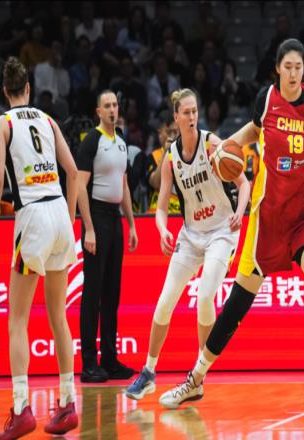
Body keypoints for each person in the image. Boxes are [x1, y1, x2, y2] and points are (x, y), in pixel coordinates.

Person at [160, 39, 304, 411]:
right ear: (277, 69)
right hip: (266, 219)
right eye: (287, 67)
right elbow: (254, 130)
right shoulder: (267, 98)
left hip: (301, 217)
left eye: (299, 67)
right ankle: (195, 378)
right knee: (237, 305)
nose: (293, 73)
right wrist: (225, 146)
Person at [125, 88, 250, 400]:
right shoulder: (171, 158)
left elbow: (244, 182)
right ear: (176, 117)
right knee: (165, 301)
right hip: (191, 235)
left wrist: (239, 210)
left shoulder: (213, 144)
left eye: (195, 111)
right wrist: (162, 230)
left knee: (205, 296)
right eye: (187, 112)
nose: (192, 117)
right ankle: (149, 372)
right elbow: (161, 207)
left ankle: (197, 377)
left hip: (222, 231)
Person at [0, 57, 79, 439]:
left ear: (5, 91)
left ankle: (22, 408)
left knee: (17, 320)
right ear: (28, 88)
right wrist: (68, 220)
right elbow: (73, 172)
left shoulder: (2, 123)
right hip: (59, 212)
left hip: (33, 217)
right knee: (59, 317)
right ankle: (68, 403)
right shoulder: (48, 119)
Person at [76, 90, 138, 383]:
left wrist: (132, 225)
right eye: (107, 106)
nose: (113, 110)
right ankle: (89, 363)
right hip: (96, 217)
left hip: (114, 218)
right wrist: (88, 227)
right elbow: (80, 186)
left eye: (115, 105)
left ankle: (110, 359)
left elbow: (123, 186)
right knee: (93, 292)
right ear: (98, 112)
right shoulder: (92, 141)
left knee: (112, 292)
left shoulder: (122, 141)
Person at [146, 110, 180, 213]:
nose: (173, 136)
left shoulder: (186, 157)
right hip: (156, 215)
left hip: (179, 216)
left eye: (175, 132)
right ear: (160, 133)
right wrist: (166, 152)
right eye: (169, 132)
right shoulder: (153, 156)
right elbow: (155, 183)